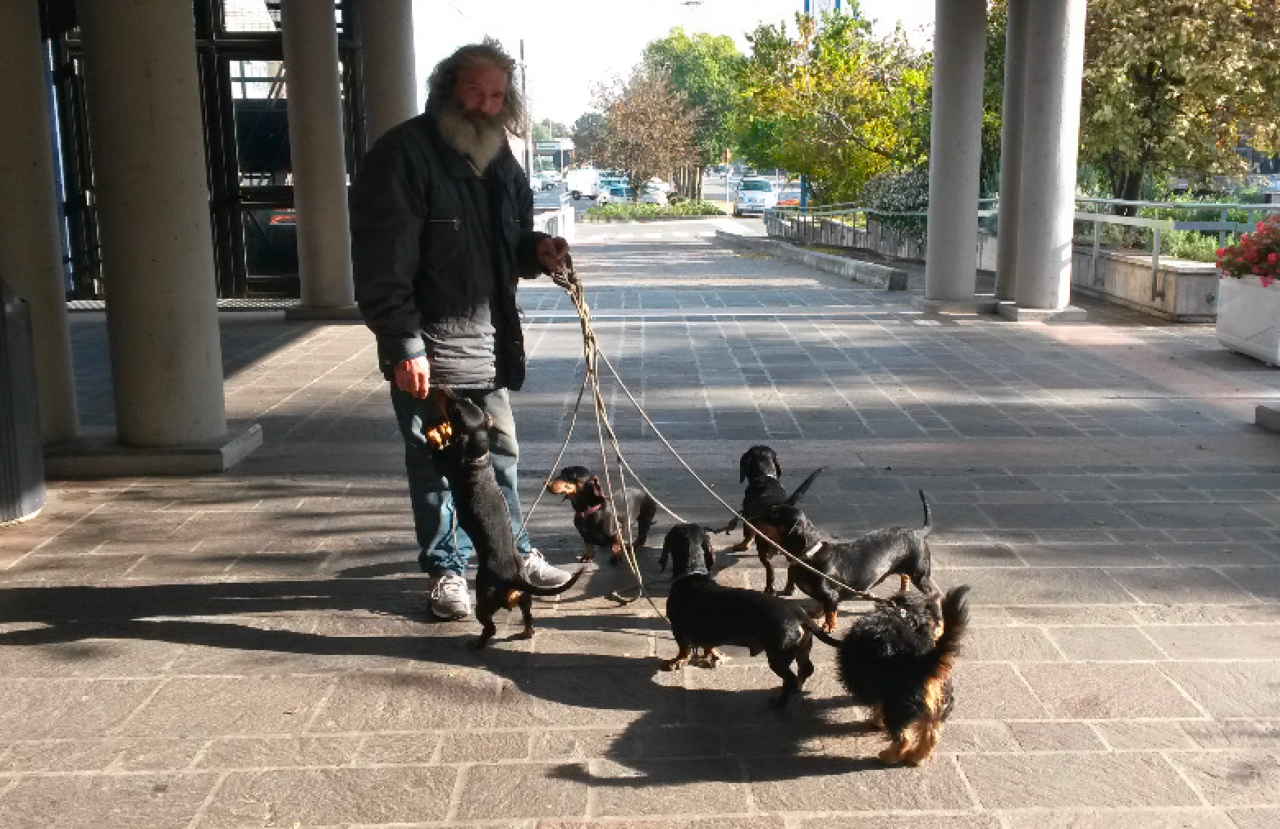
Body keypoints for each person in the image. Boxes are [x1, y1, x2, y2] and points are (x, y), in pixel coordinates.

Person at [350, 39, 572, 621]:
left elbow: (510, 247)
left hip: (488, 341)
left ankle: (511, 555)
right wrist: (403, 346)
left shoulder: (501, 158)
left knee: (501, 456)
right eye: (475, 91)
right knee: (437, 464)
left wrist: (538, 252)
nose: (485, 104)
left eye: (497, 94)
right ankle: (448, 569)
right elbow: (381, 265)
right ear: (447, 88)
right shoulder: (402, 156)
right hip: (430, 348)